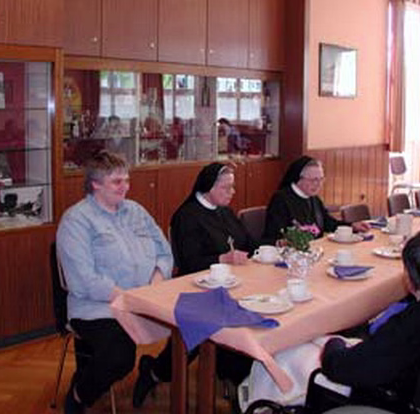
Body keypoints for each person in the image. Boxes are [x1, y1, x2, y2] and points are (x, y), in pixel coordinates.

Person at [56, 151, 173, 414]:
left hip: (145, 298)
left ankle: (155, 371)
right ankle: (78, 395)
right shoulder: (76, 221)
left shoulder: (136, 211)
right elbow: (83, 281)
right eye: (117, 182)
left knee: (193, 325)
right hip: (99, 307)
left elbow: (165, 252)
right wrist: (129, 298)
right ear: (95, 184)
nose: (125, 187)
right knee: (119, 356)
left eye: (127, 180)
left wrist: (157, 279)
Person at [132, 163, 254, 407]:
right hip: (196, 290)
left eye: (232, 187)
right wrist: (223, 258)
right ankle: (154, 372)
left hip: (233, 285)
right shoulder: (186, 216)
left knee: (251, 318)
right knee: (194, 338)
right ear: (209, 187)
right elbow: (189, 262)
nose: (232, 192)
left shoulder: (225, 212)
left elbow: (247, 242)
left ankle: (238, 376)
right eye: (227, 187)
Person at [320, 227, 420, 407]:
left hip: (391, 398)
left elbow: (344, 368)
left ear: (410, 277)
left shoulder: (410, 324)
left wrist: (333, 343)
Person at [262, 156, 369, 245]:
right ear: (298, 179)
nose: (318, 184)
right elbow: (274, 237)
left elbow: (328, 222)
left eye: (321, 179)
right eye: (313, 180)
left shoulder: (313, 198)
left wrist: (352, 226)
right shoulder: (281, 200)